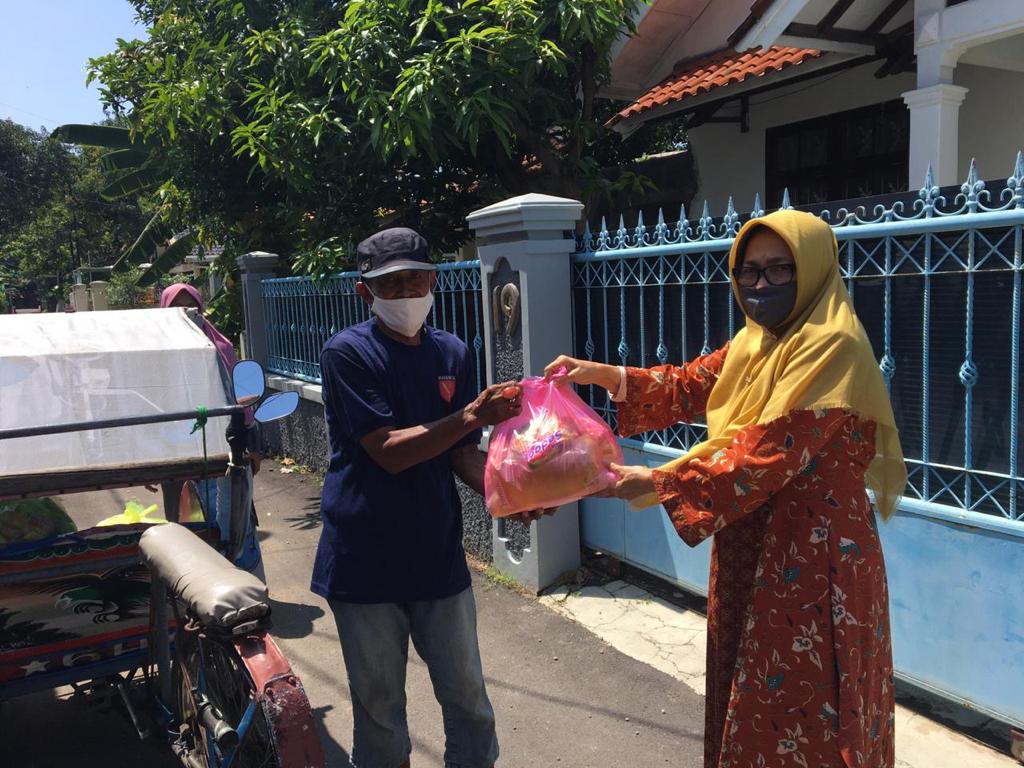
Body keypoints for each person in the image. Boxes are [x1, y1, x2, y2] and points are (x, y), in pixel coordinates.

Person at [546, 210, 906, 768]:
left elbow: (766, 453)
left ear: (812, 269)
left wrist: (656, 481)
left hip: (813, 559)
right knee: (749, 690)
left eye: (779, 269)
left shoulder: (833, 346)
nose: (760, 285)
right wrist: (605, 374)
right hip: (750, 544)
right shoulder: (755, 343)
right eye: (749, 272)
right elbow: (693, 383)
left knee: (810, 706)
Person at [313, 227, 545, 768]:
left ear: (434, 280)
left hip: (435, 554)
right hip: (364, 560)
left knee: (469, 702)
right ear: (364, 292)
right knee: (381, 712)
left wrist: (509, 494)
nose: (406, 292)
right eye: (390, 284)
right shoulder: (347, 354)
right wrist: (470, 415)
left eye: (415, 279)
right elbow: (389, 451)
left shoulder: (453, 353)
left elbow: (460, 452)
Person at [158, 283, 264, 577]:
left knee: (233, 525)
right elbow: (154, 405)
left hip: (223, 451)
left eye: (192, 308)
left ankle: (243, 589)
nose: (187, 314)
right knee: (186, 529)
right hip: (177, 454)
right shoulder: (157, 354)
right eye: (177, 308)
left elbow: (240, 402)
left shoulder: (222, 347)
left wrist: (253, 448)